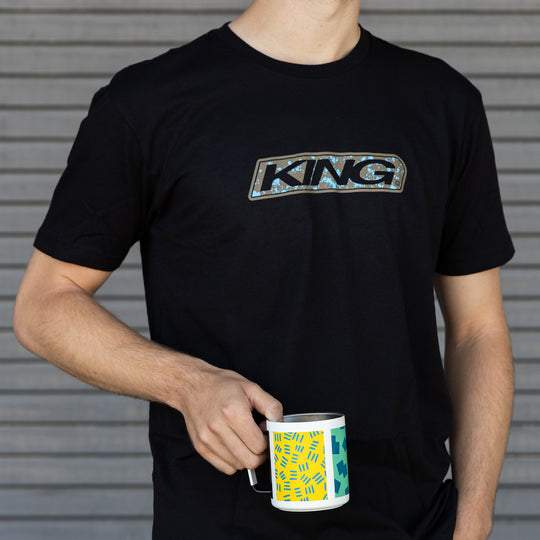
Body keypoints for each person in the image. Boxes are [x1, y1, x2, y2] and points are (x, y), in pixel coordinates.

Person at [13, 1, 515, 538]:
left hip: (414, 519)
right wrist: (188, 384)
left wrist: (474, 515)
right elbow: (45, 304)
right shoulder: (149, 102)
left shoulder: (442, 101)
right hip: (226, 518)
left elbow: (477, 330)